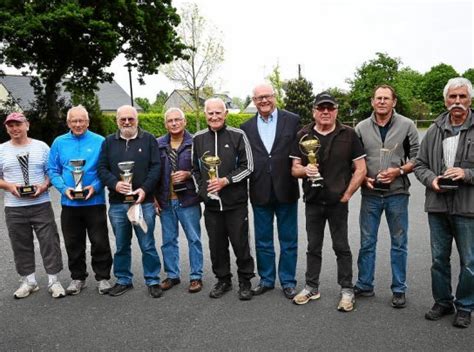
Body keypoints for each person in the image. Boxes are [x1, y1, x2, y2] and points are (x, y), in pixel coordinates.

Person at [291, 92, 366, 311]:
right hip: (313, 201)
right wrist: (305, 169)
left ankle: (347, 290)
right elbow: (294, 168)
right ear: (314, 111)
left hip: (337, 202)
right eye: (321, 108)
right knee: (313, 247)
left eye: (330, 108)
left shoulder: (349, 134)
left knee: (341, 246)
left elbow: (361, 169)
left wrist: (347, 194)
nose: (325, 112)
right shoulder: (303, 135)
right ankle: (311, 287)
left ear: (336, 111)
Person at [414, 77, 474, 329]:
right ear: (445, 100)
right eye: (453, 97)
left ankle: (465, 306)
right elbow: (419, 164)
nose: (457, 102)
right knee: (439, 258)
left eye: (462, 97)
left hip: (467, 207)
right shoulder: (433, 130)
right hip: (438, 206)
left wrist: (467, 174)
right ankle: (442, 301)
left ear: (470, 99)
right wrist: (432, 181)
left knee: (469, 261)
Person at [353, 85, 419, 308]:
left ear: (394, 102)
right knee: (367, 241)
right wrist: (363, 179)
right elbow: (354, 161)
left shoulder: (407, 125)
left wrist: (398, 171)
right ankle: (364, 284)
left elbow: (418, 159)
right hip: (370, 192)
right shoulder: (360, 127)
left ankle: (399, 289)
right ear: (372, 102)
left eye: (386, 98)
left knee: (399, 243)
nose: (382, 102)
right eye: (378, 98)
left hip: (397, 193)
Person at [240, 83, 300, 299]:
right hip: (259, 190)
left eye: (267, 96)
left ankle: (288, 281)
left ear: (274, 97)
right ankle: (266, 280)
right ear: (253, 101)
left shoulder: (292, 120)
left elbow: (300, 152)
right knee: (263, 240)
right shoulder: (245, 128)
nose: (263, 101)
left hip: (286, 189)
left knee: (288, 239)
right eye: (259, 98)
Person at [192, 97, 255, 300]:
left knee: (240, 243)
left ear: (225, 113)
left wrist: (225, 181)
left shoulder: (238, 135)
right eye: (210, 113)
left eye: (218, 112)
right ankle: (223, 280)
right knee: (216, 246)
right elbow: (195, 170)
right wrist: (204, 192)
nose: (214, 116)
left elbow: (248, 166)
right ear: (205, 115)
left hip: (235, 204)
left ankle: (245, 281)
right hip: (211, 206)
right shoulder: (198, 138)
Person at [98, 105, 162, 298]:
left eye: (131, 119)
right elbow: (102, 168)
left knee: (148, 244)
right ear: (116, 120)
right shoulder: (108, 142)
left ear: (137, 119)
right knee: (121, 245)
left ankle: (153, 280)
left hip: (144, 203)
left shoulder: (149, 139)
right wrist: (116, 184)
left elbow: (156, 167)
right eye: (122, 119)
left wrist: (144, 190)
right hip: (118, 204)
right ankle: (123, 279)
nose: (127, 122)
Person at [48, 105, 113, 295]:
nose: (78, 124)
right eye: (74, 121)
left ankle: (103, 278)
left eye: (81, 120)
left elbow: (106, 169)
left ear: (87, 121)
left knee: (99, 241)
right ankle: (78, 278)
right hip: (70, 203)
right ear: (68, 122)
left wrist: (96, 187)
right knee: (73, 242)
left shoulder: (100, 141)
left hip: (95, 202)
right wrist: (63, 188)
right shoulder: (59, 142)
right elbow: (52, 170)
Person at [0, 112, 65, 299]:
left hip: (41, 203)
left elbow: (52, 171)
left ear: (27, 125)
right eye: (10, 126)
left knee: (49, 242)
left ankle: (54, 280)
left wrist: (44, 185)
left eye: (18, 125)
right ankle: (29, 281)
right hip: (14, 207)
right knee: (21, 244)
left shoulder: (42, 147)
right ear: (6, 128)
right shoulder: (2, 149)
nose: (14, 129)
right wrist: (10, 186)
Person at [155, 108, 203, 293]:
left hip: (188, 200)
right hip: (165, 200)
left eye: (177, 120)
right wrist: (153, 198)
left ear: (185, 122)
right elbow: (152, 172)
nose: (174, 123)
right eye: (170, 121)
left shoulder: (195, 143)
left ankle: (196, 277)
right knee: (168, 240)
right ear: (165, 124)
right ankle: (172, 275)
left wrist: (188, 174)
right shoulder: (158, 144)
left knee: (194, 239)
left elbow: (204, 170)